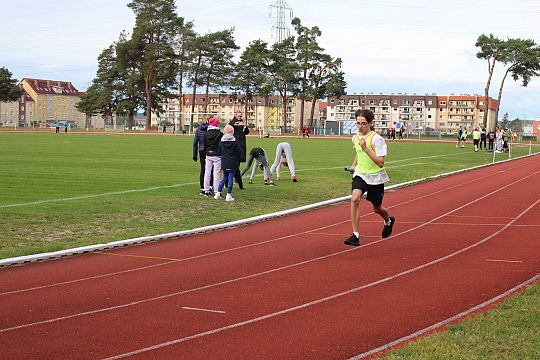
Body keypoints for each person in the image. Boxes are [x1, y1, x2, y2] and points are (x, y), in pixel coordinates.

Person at [344, 109, 395, 247]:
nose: (360, 126)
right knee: (354, 199)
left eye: (364, 124)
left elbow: (380, 162)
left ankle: (388, 221)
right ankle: (355, 235)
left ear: (370, 123)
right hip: (360, 174)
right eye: (358, 123)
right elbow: (358, 152)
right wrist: (354, 166)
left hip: (375, 177)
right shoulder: (355, 137)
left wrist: (366, 148)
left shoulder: (377, 139)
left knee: (377, 208)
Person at [214, 125, 241, 202]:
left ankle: (218, 193)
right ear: (232, 132)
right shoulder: (234, 142)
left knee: (224, 177)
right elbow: (239, 152)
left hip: (224, 161)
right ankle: (228, 195)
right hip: (232, 161)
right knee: (230, 178)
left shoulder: (221, 142)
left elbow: (219, 151)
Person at [203, 117, 223, 196]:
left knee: (207, 172)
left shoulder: (206, 133)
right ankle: (216, 191)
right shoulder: (219, 134)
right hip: (217, 155)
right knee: (216, 174)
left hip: (208, 154)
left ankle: (206, 190)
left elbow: (205, 145)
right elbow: (221, 145)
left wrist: (206, 153)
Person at [229, 111, 249, 190]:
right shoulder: (232, 122)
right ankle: (236, 180)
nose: (240, 117)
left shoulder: (242, 122)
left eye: (241, 116)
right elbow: (229, 128)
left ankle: (236, 179)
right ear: (235, 115)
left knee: (238, 163)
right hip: (235, 144)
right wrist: (235, 125)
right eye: (239, 116)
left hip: (242, 144)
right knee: (235, 165)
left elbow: (246, 133)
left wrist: (245, 127)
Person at [193, 118, 211, 195]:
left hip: (201, 150)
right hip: (209, 151)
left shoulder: (198, 130)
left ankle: (202, 188)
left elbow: (195, 143)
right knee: (210, 169)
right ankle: (209, 187)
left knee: (203, 169)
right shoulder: (210, 129)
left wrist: (194, 154)